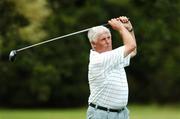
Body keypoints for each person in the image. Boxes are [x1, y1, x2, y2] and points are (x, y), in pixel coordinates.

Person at [86, 16, 137, 119]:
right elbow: (131, 46)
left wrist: (129, 29)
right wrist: (121, 28)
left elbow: (133, 51)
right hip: (101, 114)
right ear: (93, 44)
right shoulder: (99, 60)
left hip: (122, 113)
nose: (108, 42)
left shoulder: (113, 56)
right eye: (103, 39)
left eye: (109, 37)